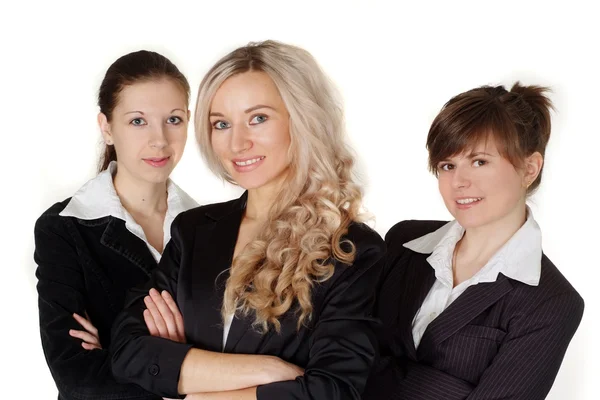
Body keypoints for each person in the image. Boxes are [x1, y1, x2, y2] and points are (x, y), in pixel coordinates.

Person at [110, 40, 385, 400]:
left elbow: (334, 390)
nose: (237, 143)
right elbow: (129, 353)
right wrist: (268, 370)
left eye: (258, 118)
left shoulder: (351, 250)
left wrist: (194, 385)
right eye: (221, 124)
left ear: (301, 120)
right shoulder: (194, 230)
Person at [364, 83, 584, 400]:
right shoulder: (404, 242)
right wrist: (452, 389)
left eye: (479, 161)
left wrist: (377, 377)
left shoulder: (551, 303)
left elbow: (355, 370)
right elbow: (339, 352)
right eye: (447, 166)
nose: (459, 182)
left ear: (529, 168)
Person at [34, 50, 198, 400]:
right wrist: (191, 371)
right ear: (106, 127)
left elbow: (243, 351)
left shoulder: (213, 227)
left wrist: (121, 357)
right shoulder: (64, 229)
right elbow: (80, 381)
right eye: (137, 121)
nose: (159, 140)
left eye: (173, 119)